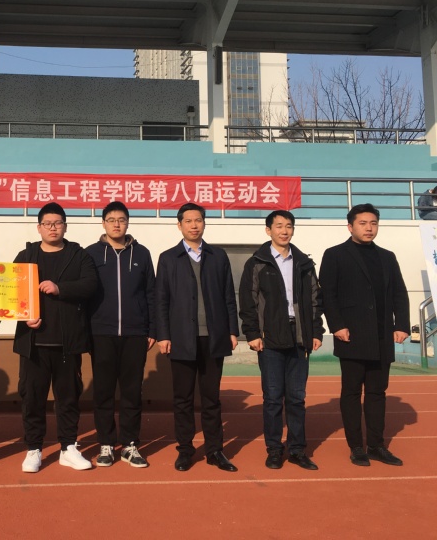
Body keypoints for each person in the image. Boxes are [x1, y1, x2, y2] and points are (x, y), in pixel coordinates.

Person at [319, 204, 410, 467]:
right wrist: (337, 325)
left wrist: (402, 325)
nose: (369, 228)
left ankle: (376, 446)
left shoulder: (387, 257)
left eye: (373, 223)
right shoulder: (335, 255)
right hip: (351, 335)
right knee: (350, 392)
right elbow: (328, 294)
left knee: (377, 392)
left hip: (382, 336)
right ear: (350, 226)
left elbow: (399, 292)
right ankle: (356, 447)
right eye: (363, 223)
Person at [13, 202, 98, 473]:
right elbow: (11, 293)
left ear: (65, 226)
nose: (53, 228)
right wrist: (23, 317)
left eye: (58, 223)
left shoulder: (78, 255)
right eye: (47, 224)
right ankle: (34, 449)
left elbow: (91, 285)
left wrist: (60, 288)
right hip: (33, 343)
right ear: (39, 227)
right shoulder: (26, 255)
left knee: (68, 398)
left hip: (67, 343)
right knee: (32, 398)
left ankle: (68, 447)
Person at [155, 202, 239, 473]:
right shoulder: (168, 258)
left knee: (211, 398)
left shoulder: (218, 256)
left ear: (204, 223)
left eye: (198, 220)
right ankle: (185, 450)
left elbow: (228, 296)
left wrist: (232, 330)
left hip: (213, 338)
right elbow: (161, 300)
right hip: (181, 338)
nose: (194, 225)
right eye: (188, 221)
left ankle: (215, 450)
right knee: (183, 399)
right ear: (179, 225)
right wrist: (163, 334)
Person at [239, 210, 325, 470]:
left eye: (289, 226)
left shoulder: (304, 263)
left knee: (297, 398)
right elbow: (248, 301)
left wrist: (316, 331)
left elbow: (315, 300)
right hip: (270, 338)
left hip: (299, 336)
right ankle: (275, 449)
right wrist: (252, 334)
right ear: (269, 230)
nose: (284, 231)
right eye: (278, 226)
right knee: (273, 398)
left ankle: (298, 450)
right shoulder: (257, 263)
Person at [86, 201, 155, 468]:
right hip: (101, 333)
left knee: (131, 392)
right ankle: (105, 443)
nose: (117, 224)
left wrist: (152, 329)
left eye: (121, 219)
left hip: (135, 334)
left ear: (128, 222)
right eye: (111, 219)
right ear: (103, 223)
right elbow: (84, 296)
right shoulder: (91, 254)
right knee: (103, 392)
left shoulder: (142, 253)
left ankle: (130, 444)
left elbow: (151, 293)